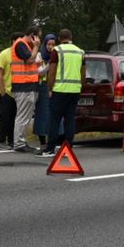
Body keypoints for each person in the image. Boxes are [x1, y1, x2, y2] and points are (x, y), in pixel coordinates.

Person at [38, 29, 85, 157]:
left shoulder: (57, 51)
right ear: (71, 37)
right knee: (69, 120)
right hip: (74, 90)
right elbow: (83, 73)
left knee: (55, 120)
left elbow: (52, 71)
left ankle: (50, 149)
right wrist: (80, 87)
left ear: (59, 38)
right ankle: (68, 148)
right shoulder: (80, 51)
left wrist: (50, 89)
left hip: (59, 90)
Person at [10, 26, 42, 153]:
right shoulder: (21, 44)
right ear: (33, 36)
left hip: (27, 86)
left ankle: (20, 141)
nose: (39, 39)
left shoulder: (24, 45)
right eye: (38, 36)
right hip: (24, 86)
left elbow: (30, 62)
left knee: (24, 116)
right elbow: (29, 60)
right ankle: (19, 143)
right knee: (23, 116)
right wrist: (36, 46)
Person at [32, 33, 59, 151]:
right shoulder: (39, 55)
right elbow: (40, 73)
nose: (50, 47)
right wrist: (50, 64)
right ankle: (42, 142)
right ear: (45, 44)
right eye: (48, 44)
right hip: (42, 88)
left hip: (55, 88)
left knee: (54, 116)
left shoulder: (58, 55)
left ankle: (53, 142)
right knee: (42, 115)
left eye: (53, 45)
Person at [0, 35, 19, 150]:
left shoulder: (21, 54)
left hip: (17, 92)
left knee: (14, 118)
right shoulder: (4, 54)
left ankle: (11, 141)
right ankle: (0, 141)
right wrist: (2, 91)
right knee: (5, 118)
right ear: (13, 41)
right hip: (6, 91)